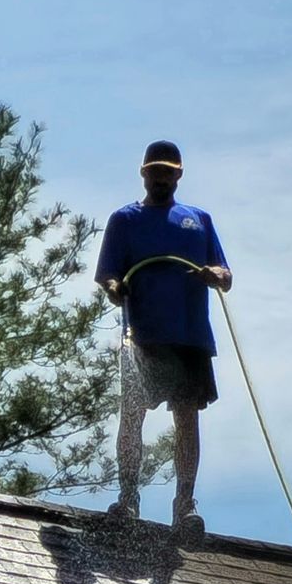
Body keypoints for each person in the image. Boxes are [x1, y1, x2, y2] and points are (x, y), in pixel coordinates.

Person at [94, 139, 232, 533]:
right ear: (143, 173)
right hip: (143, 336)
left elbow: (226, 275)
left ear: (179, 174)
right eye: (155, 171)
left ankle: (185, 505)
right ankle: (128, 498)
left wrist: (215, 275)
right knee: (133, 414)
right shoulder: (126, 220)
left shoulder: (198, 219)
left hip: (189, 336)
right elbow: (107, 273)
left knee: (187, 418)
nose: (161, 178)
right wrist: (114, 287)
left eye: (168, 171)